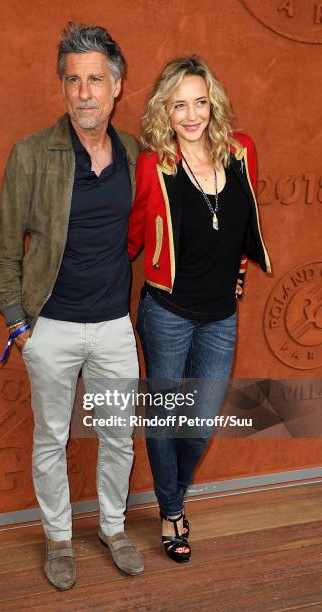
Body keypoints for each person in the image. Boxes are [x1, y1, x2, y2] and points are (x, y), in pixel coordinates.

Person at [0, 22, 144, 590]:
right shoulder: (31, 154)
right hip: (49, 328)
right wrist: (17, 324)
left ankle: (112, 527)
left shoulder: (134, 153)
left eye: (95, 79)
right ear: (63, 87)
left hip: (112, 329)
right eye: (73, 80)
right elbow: (5, 247)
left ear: (117, 86)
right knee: (51, 439)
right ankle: (58, 538)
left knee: (118, 436)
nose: (84, 92)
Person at [128, 56, 272, 563]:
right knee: (165, 419)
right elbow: (133, 235)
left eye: (200, 102)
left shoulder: (241, 152)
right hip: (166, 313)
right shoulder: (154, 166)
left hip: (219, 316)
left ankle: (173, 496)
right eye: (179, 105)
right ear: (164, 111)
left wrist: (239, 271)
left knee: (202, 420)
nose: (191, 115)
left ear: (214, 103)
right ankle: (171, 511)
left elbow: (241, 219)